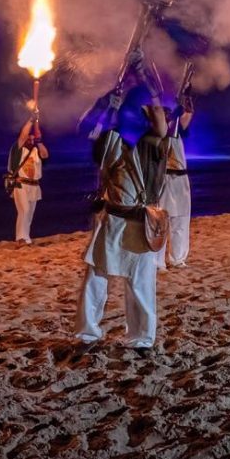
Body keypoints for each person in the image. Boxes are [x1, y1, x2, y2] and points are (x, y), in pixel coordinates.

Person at [74, 79, 169, 351]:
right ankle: (87, 335)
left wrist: (144, 77)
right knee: (95, 278)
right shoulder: (111, 142)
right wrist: (106, 102)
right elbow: (86, 129)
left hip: (141, 224)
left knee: (140, 285)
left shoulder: (154, 144)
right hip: (112, 222)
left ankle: (141, 339)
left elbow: (161, 124)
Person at [157, 80, 194, 269]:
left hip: (181, 179)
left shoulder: (177, 130)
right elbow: (167, 133)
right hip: (163, 180)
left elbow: (188, 114)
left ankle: (177, 258)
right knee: (161, 220)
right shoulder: (157, 133)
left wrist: (187, 95)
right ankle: (157, 261)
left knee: (181, 219)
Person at [6, 114, 49, 244]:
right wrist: (31, 120)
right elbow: (22, 136)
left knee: (29, 213)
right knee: (24, 210)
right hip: (21, 184)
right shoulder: (18, 149)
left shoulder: (36, 151)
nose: (30, 139)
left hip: (34, 186)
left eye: (32, 138)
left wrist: (40, 141)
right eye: (28, 138)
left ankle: (27, 237)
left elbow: (45, 155)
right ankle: (20, 238)